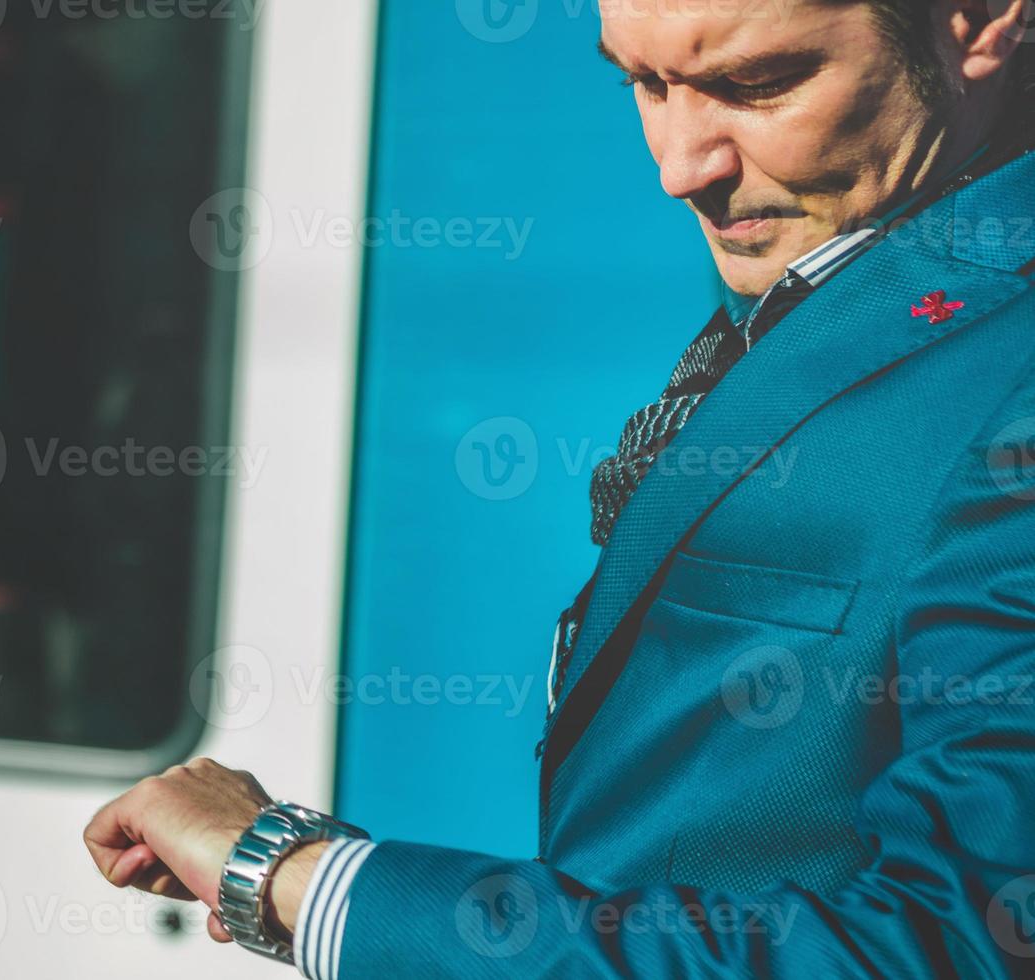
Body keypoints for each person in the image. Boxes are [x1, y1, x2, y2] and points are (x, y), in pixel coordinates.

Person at [85, 0, 1035, 975]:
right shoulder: (866, 266)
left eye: (756, 85)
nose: (681, 166)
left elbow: (949, 942)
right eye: (644, 83)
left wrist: (309, 883)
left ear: (977, 23)